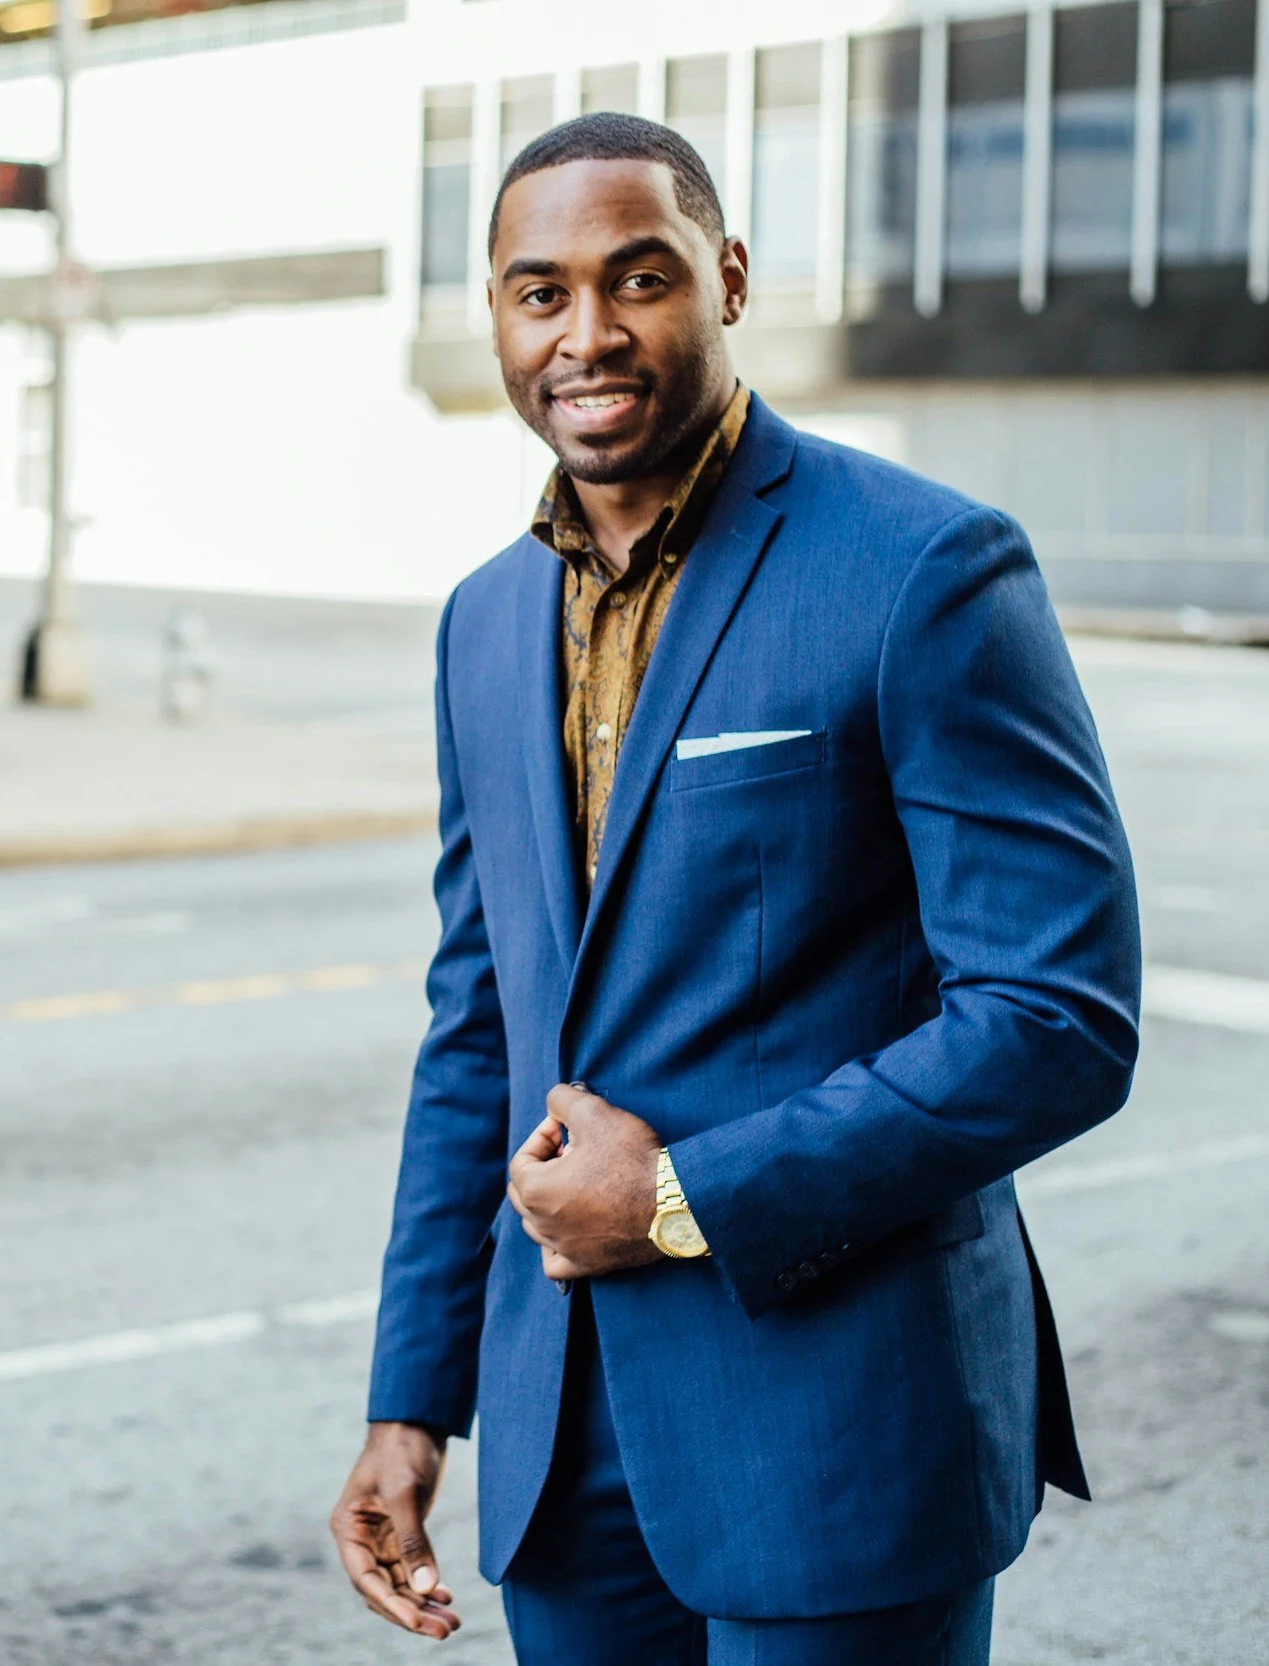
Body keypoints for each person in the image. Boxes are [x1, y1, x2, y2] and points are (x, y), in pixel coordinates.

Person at [329, 113, 1142, 1666]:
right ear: (493, 316)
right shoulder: (483, 623)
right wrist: (413, 1397)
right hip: (563, 1434)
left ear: (730, 281)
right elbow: (478, 1030)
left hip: (841, 1417)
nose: (590, 334)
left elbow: (1058, 1016)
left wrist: (685, 1196)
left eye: (640, 278)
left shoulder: (922, 566)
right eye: (540, 292)